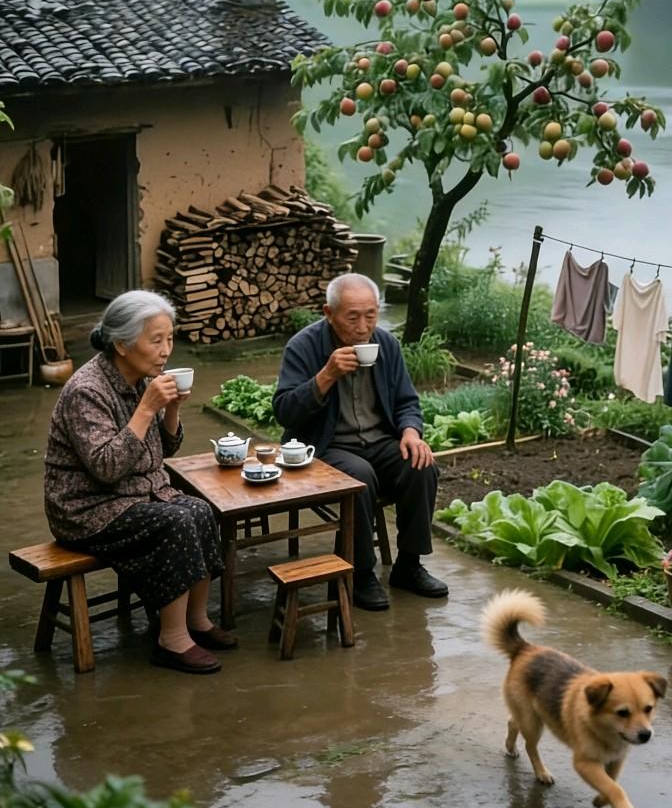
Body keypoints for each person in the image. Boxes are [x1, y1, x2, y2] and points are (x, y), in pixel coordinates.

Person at [44, 290, 236, 675]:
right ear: (122, 344)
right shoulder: (88, 390)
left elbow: (163, 450)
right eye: (156, 340)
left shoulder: (139, 378)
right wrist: (148, 407)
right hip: (87, 508)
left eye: (169, 338)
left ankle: (196, 621)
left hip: (136, 493)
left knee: (199, 509)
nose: (166, 350)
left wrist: (171, 410)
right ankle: (172, 640)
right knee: (176, 521)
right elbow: (107, 468)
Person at [273, 273, 447, 611]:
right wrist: (326, 376)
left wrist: (411, 432)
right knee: (360, 476)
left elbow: (407, 402)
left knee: (421, 465)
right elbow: (285, 412)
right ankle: (361, 572)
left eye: (371, 314)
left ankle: (409, 565)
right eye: (353, 316)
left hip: (379, 442)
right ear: (328, 313)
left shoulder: (386, 344)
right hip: (324, 447)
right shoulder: (303, 346)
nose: (363, 325)